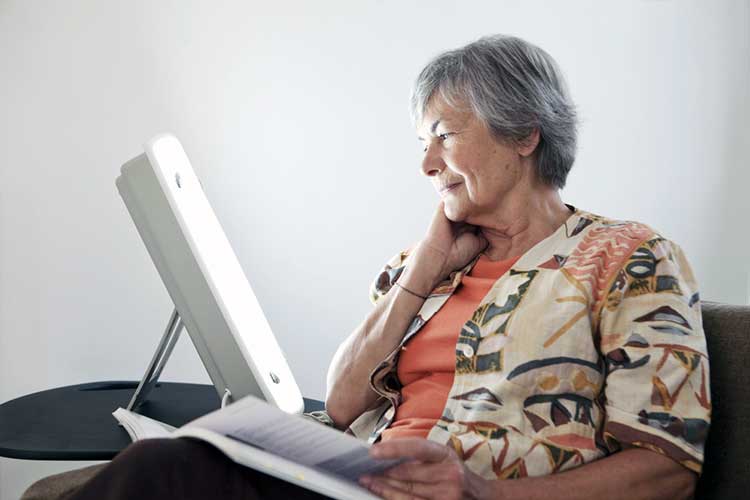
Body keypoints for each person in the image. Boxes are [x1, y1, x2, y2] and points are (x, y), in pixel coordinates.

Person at [60, 34, 709, 500]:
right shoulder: (419, 266)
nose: (426, 164)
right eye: (421, 143)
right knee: (164, 464)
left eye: (444, 136)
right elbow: (341, 408)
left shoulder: (630, 258)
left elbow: (666, 467)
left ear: (523, 135)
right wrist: (422, 271)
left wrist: (479, 493)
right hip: (356, 481)